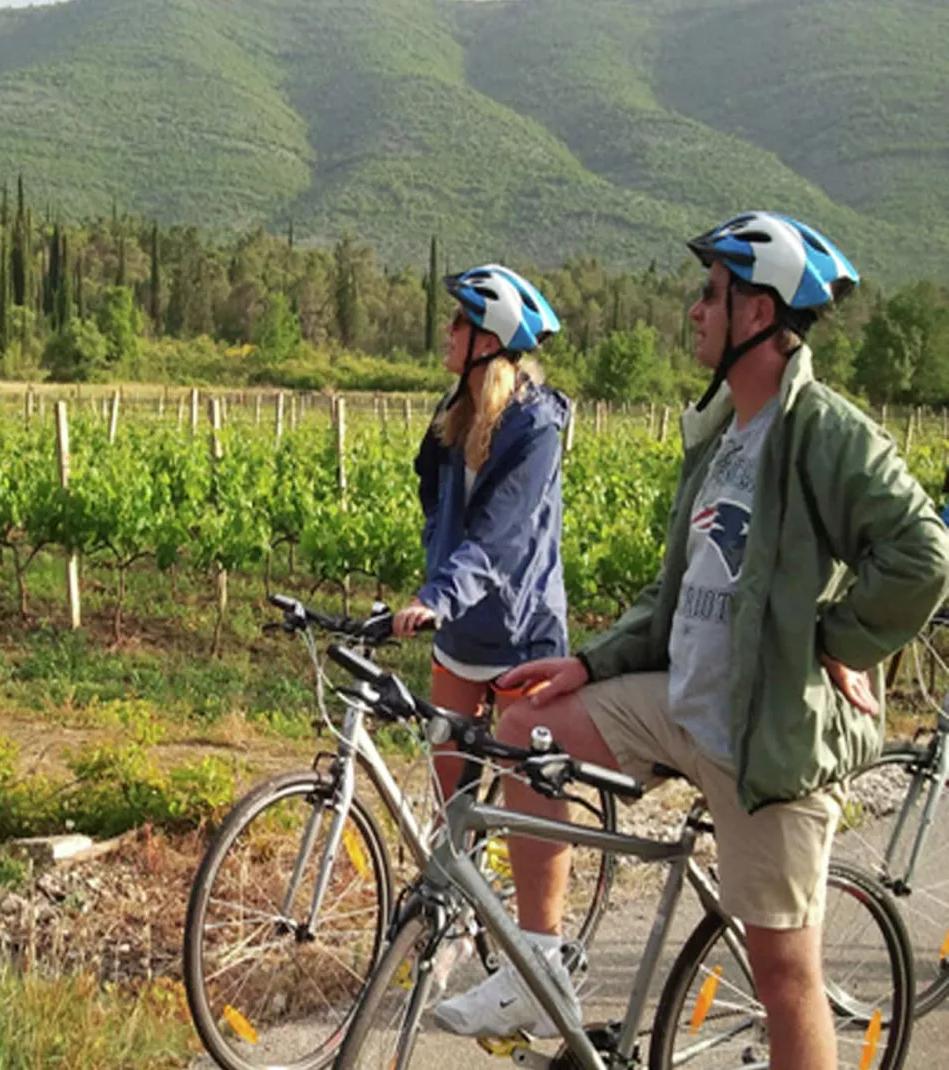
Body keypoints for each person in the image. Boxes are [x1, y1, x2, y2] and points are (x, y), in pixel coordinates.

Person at [432, 212, 949, 1067]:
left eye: (711, 294)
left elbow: (925, 555)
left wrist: (838, 641)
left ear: (758, 312)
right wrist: (591, 662)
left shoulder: (823, 430)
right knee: (529, 727)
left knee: (786, 975)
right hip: (681, 702)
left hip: (764, 736)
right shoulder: (721, 437)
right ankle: (541, 965)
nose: (694, 310)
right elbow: (678, 597)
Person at [393, 265, 571, 810]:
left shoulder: (535, 428)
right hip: (461, 631)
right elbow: (430, 487)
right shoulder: (453, 414)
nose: (447, 331)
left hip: (522, 632)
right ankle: (452, 892)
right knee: (452, 804)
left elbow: (501, 537)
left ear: (488, 340)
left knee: (529, 810)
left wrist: (435, 595)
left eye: (459, 321)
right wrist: (437, 547)